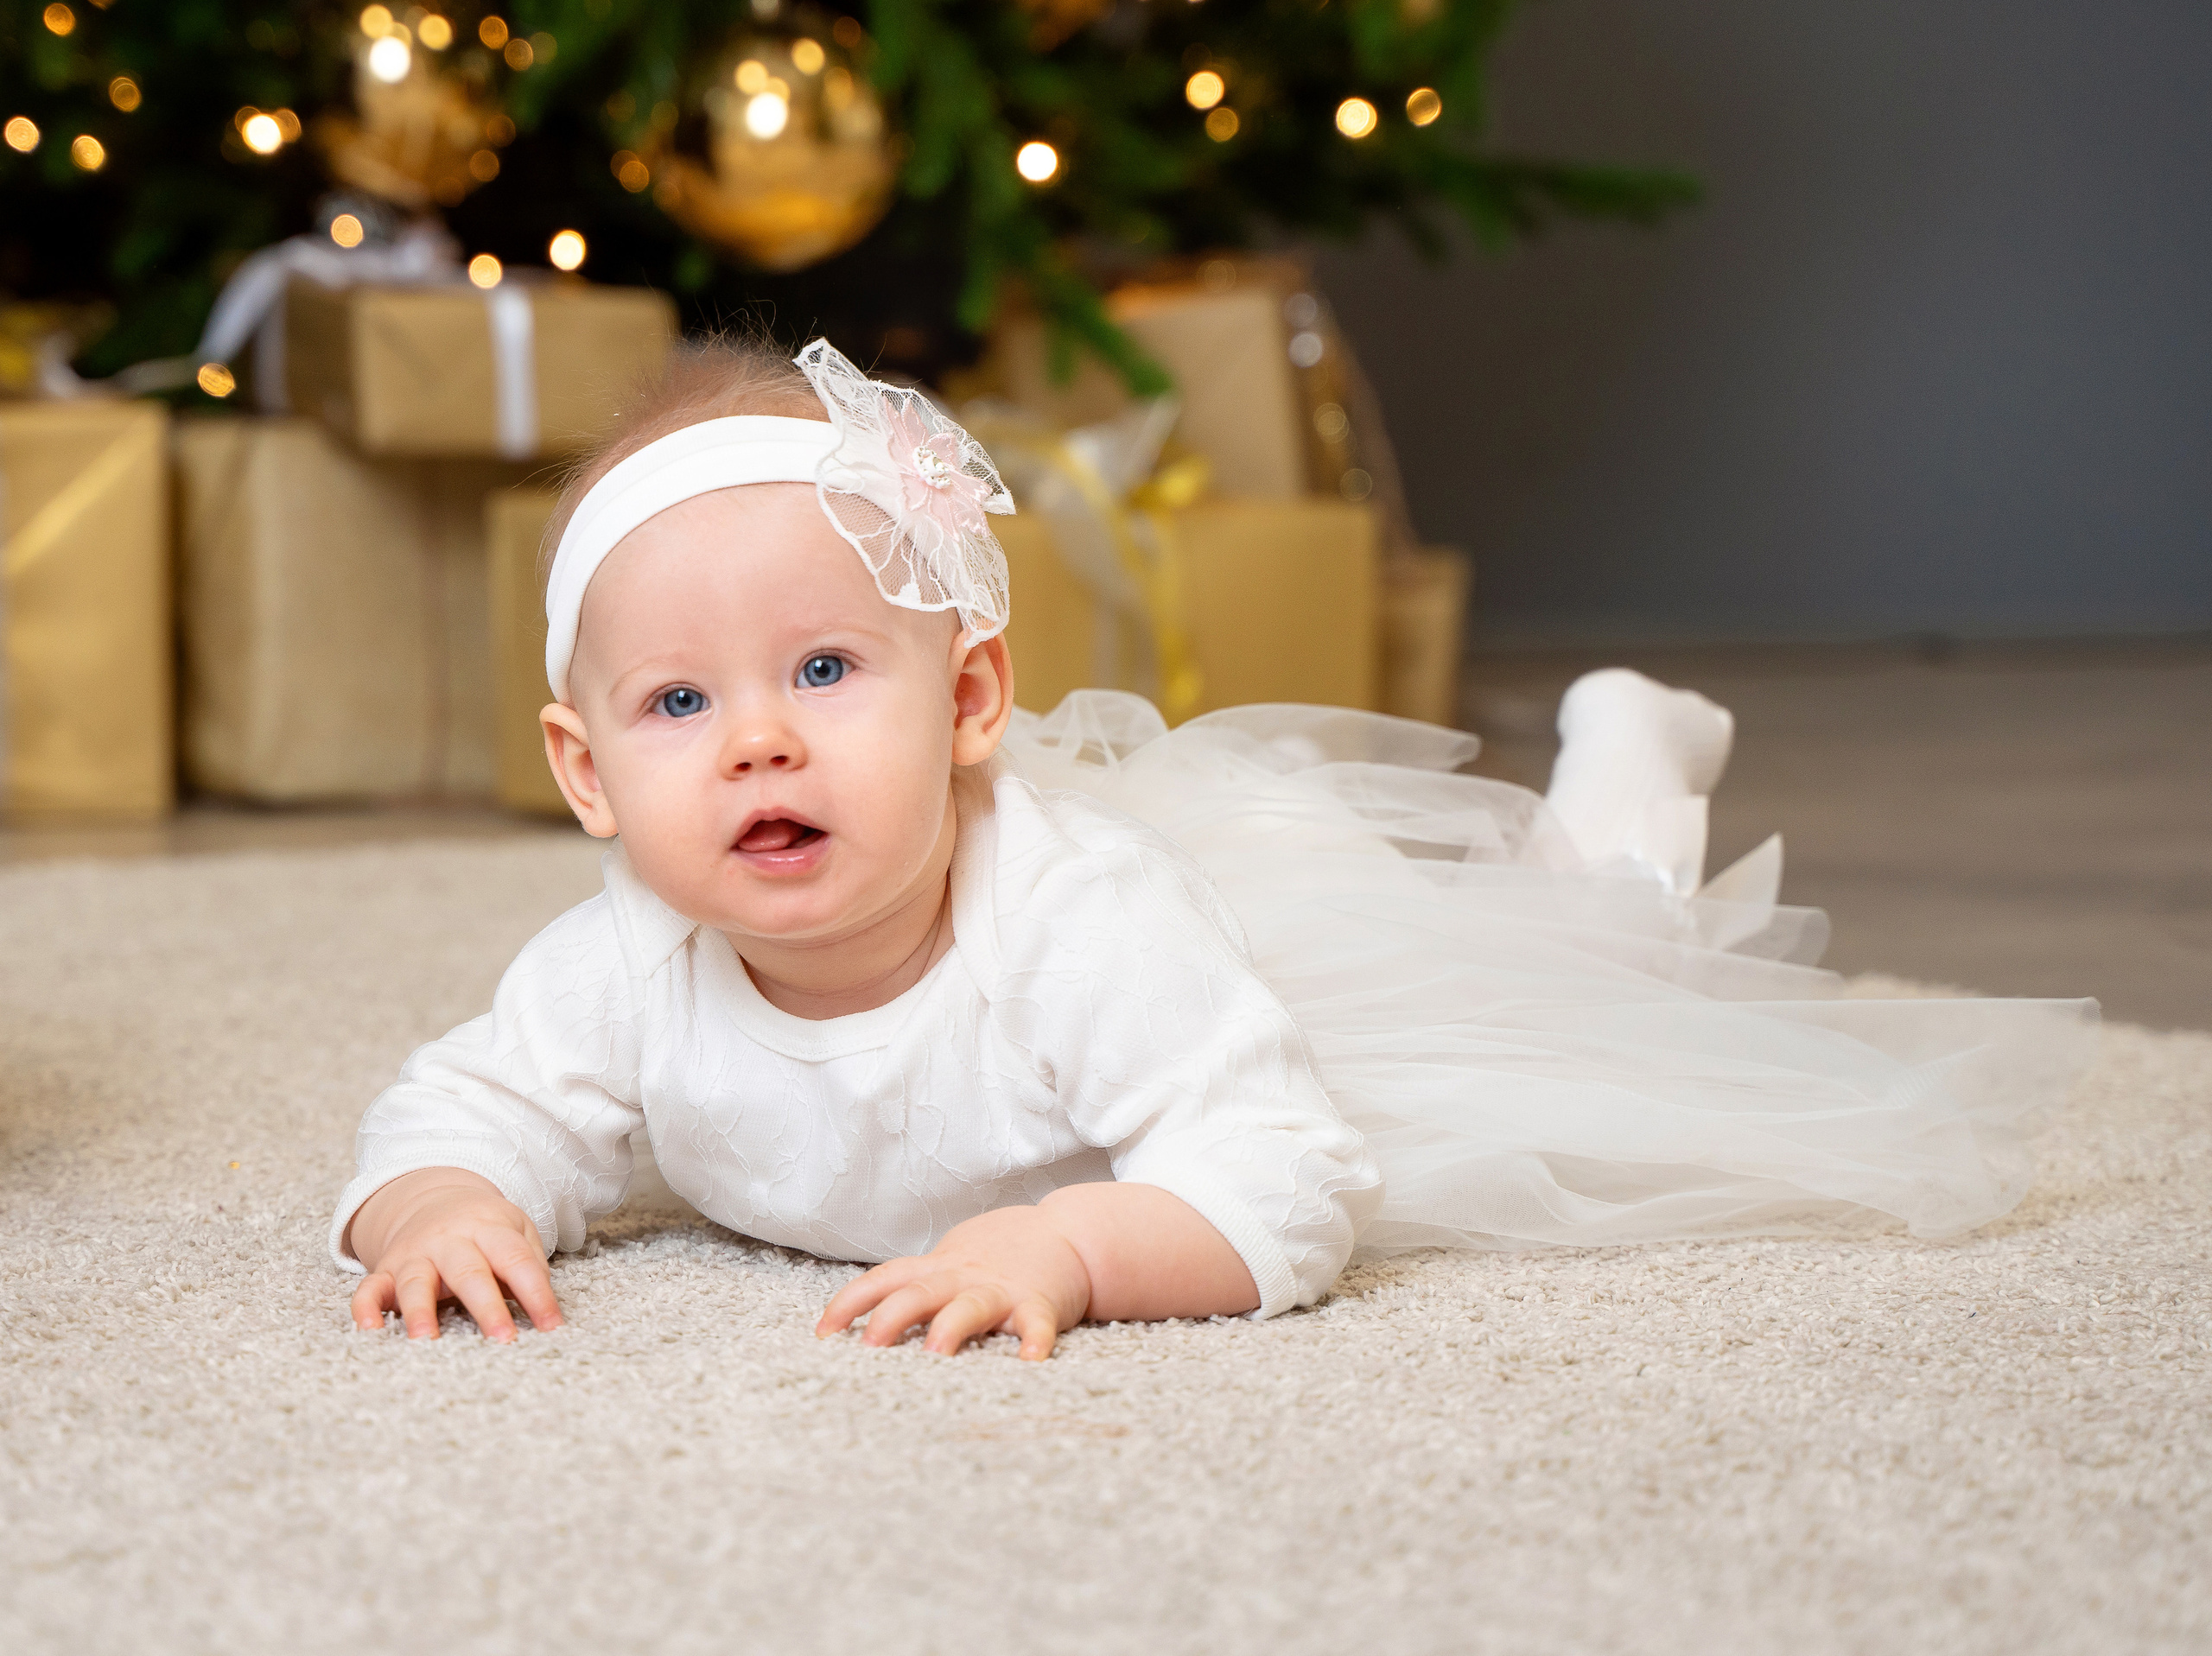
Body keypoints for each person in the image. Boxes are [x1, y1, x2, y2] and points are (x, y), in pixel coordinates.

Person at [334, 339, 2097, 1359]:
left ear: (969, 699)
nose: (758, 741)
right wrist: (447, 1207)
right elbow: (457, 1107)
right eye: (675, 702)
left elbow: (1286, 1176)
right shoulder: (625, 960)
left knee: (1603, 969)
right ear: (585, 772)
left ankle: (1628, 769)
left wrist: (1072, 1251)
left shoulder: (1082, 925)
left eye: (822, 669)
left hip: (1279, 1003)